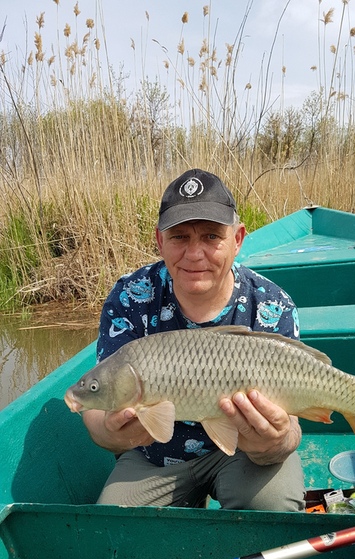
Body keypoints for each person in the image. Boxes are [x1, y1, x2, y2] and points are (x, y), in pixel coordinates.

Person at [83, 168, 306, 511]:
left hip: (243, 455)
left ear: (238, 239)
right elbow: (95, 416)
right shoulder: (130, 296)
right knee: (115, 521)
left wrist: (276, 442)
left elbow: (291, 428)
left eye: (211, 237)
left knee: (273, 503)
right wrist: (111, 434)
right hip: (153, 455)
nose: (194, 253)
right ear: (159, 241)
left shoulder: (272, 305)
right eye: (180, 237)